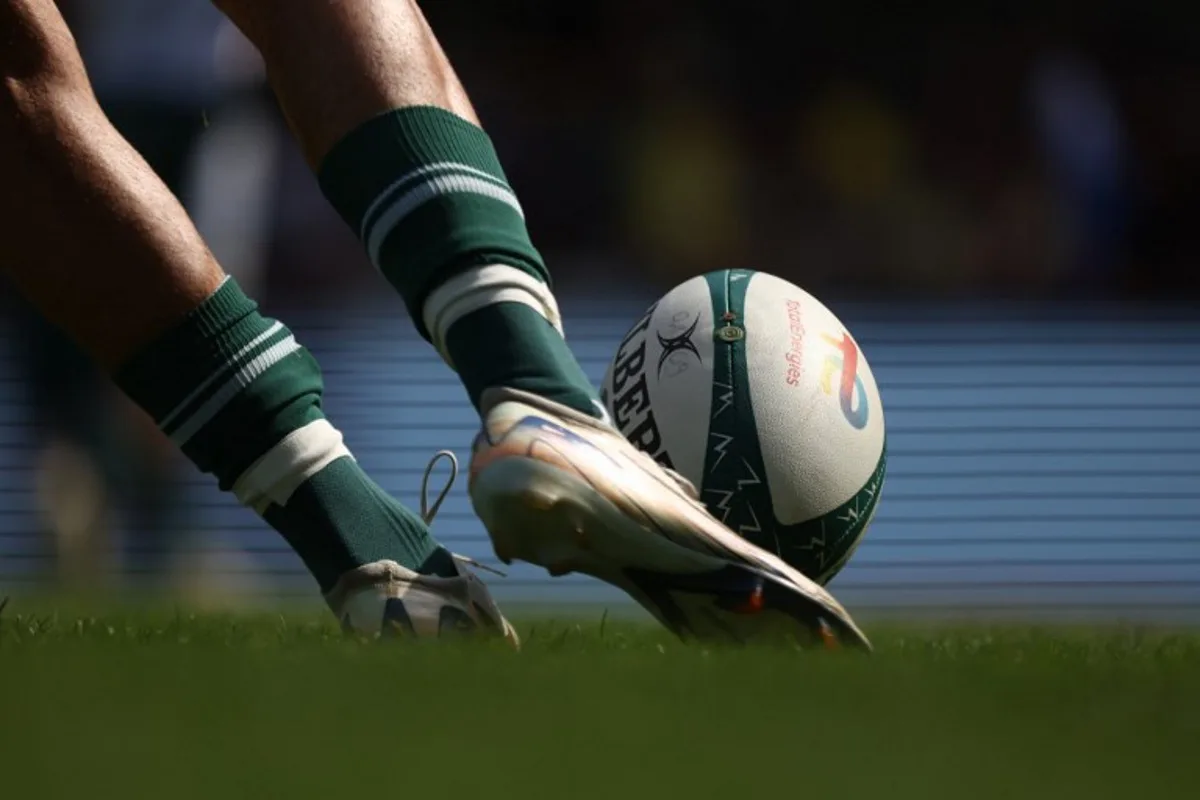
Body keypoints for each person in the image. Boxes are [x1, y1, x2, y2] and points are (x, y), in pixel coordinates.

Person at [0, 0, 865, 648]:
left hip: (161, 104)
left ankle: (353, 541)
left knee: (13, 77)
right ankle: (539, 391)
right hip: (211, 103)